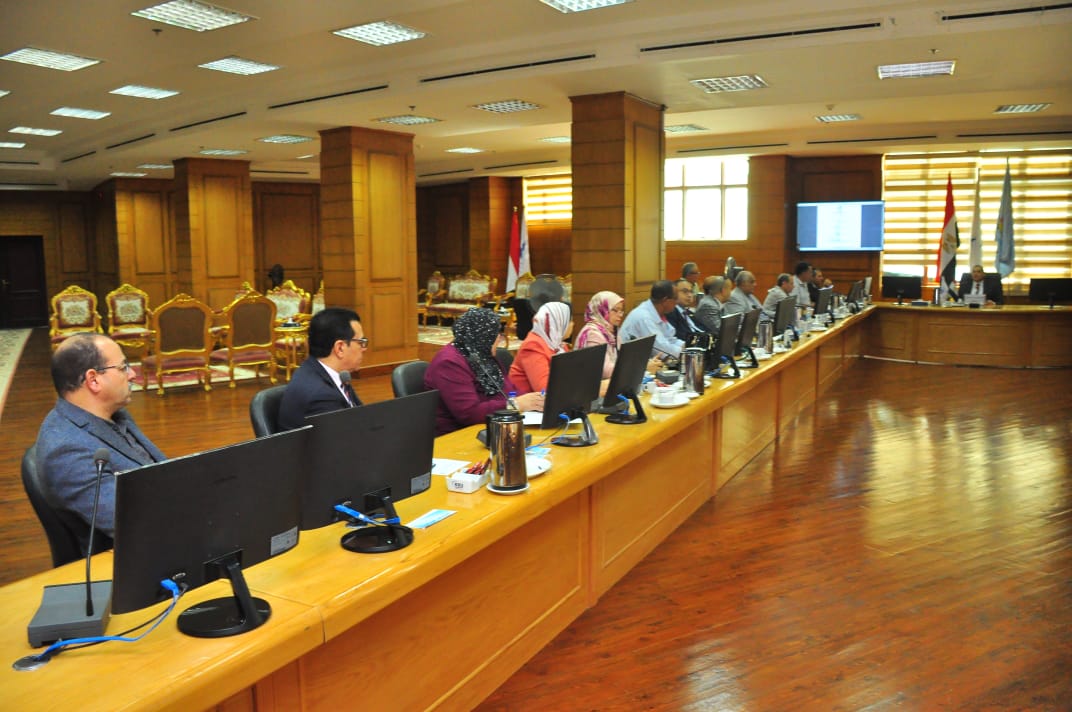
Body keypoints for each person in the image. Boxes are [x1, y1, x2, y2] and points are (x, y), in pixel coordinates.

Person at [35, 333, 166, 551]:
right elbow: (136, 523)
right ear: (93, 380)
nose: (132, 374)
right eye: (123, 368)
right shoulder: (67, 451)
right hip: (141, 552)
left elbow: (158, 469)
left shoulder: (113, 413)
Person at [424, 308, 543, 436]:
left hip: (493, 426)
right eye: (496, 334)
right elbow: (469, 413)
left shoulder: (482, 354)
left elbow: (508, 390)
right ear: (483, 337)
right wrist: (515, 404)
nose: (499, 339)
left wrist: (535, 401)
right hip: (458, 435)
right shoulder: (448, 363)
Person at [278, 307, 366, 430]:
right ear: (340, 348)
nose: (364, 348)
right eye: (361, 342)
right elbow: (345, 437)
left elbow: (361, 417)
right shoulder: (321, 396)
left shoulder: (320, 371)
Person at [509, 301, 574, 395]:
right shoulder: (533, 345)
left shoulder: (558, 345)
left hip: (554, 399)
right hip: (529, 402)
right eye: (570, 321)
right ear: (558, 323)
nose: (573, 324)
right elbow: (544, 390)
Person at [619, 280, 684, 360]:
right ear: (665, 300)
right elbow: (662, 350)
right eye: (675, 298)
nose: (677, 302)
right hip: (630, 362)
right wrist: (684, 353)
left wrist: (687, 347)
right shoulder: (644, 317)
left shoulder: (657, 312)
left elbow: (669, 338)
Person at [575, 291, 625, 379]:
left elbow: (622, 359)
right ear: (602, 310)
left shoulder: (612, 330)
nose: (620, 315)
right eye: (615, 310)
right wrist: (630, 368)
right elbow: (605, 370)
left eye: (621, 311)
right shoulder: (592, 333)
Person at [666, 278, 702, 342]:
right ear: (673, 293)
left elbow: (701, 328)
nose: (689, 295)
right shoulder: (670, 313)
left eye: (691, 292)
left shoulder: (688, 312)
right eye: (685, 291)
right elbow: (679, 337)